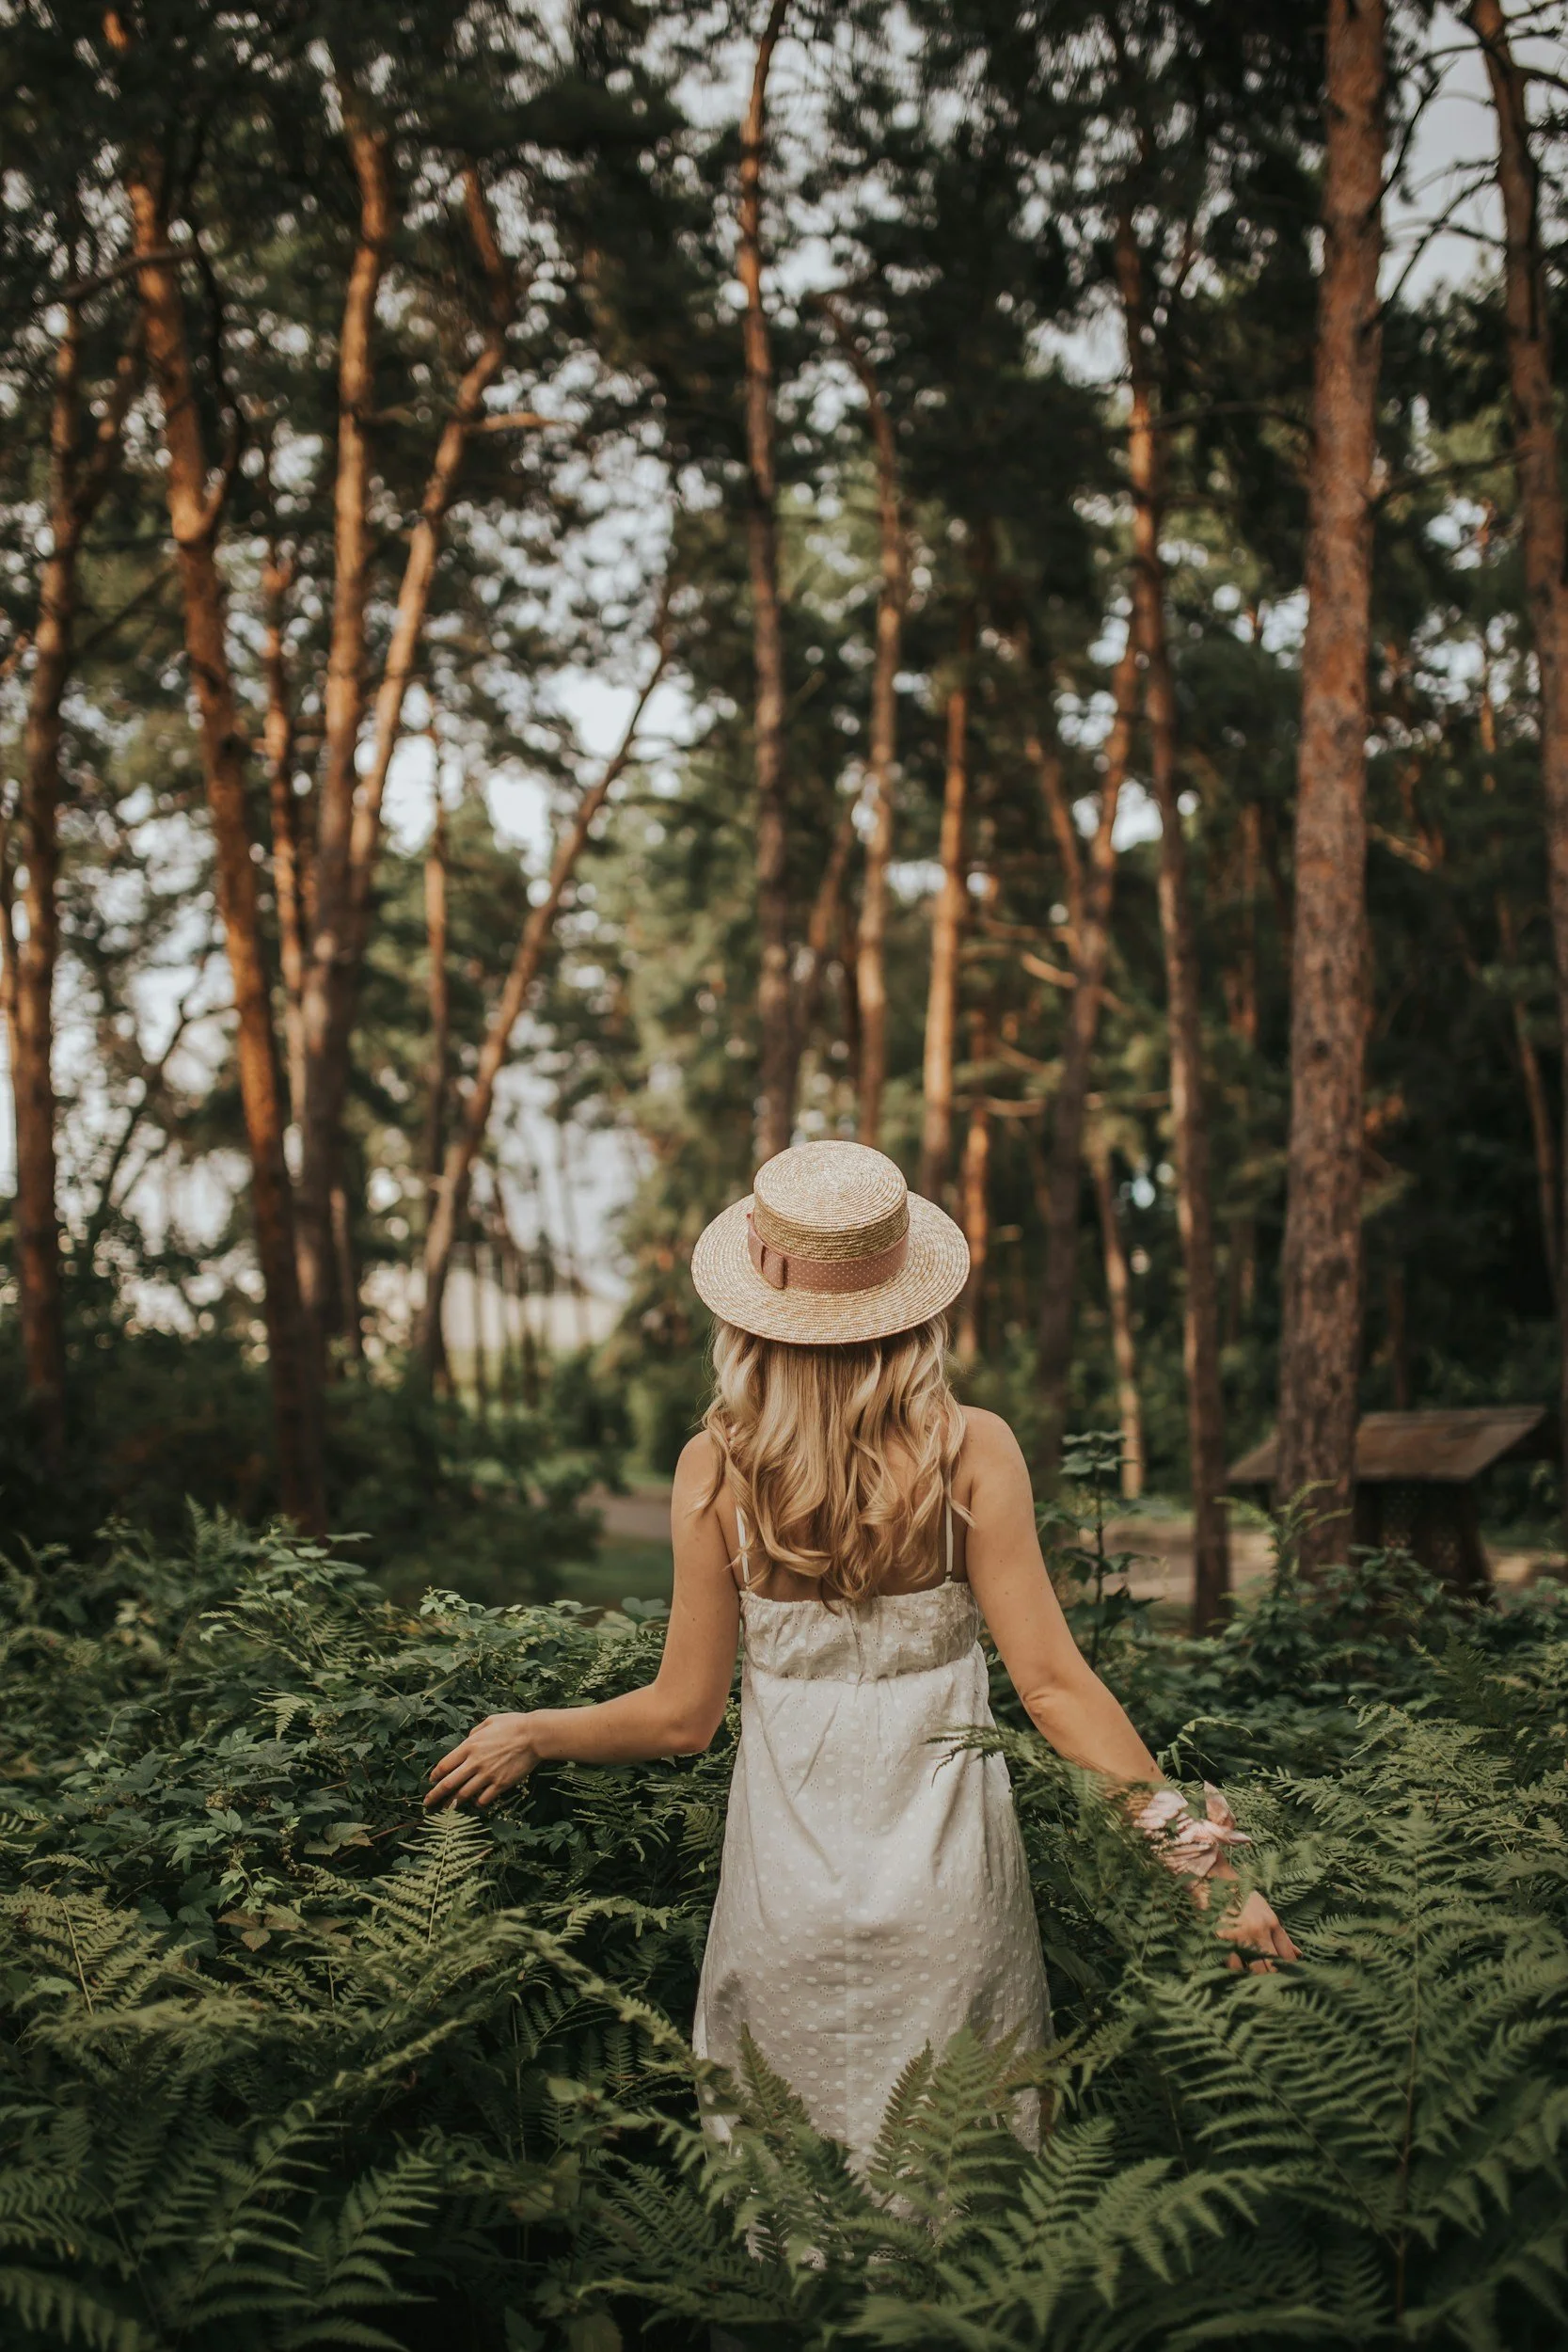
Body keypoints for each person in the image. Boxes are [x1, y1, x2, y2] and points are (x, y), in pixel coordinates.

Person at [427, 1141, 1296, 2172]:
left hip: (780, 1895)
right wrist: (1201, 1867)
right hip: (951, 1893)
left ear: (750, 1306)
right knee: (960, 2192)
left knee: (791, 2203)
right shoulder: (972, 1451)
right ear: (913, 1303)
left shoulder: (715, 1468)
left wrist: (534, 1730)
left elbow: (680, 1715)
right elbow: (1057, 1689)